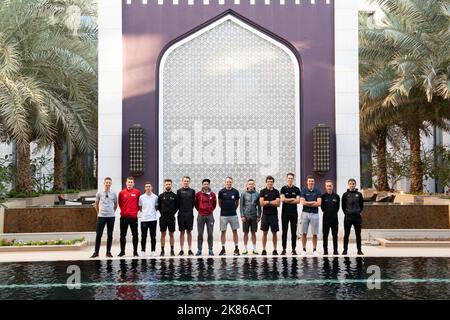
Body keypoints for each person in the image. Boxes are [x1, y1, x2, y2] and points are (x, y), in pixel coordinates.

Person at [90, 177, 117, 258]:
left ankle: (108, 252)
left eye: (109, 182)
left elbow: (116, 205)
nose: (108, 184)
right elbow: (96, 204)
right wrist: (98, 213)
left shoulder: (114, 194)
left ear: (111, 184)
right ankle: (96, 252)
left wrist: (112, 212)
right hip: (101, 216)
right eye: (106, 182)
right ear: (104, 183)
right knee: (99, 234)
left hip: (111, 217)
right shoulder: (99, 193)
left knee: (110, 234)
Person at [118, 177, 141, 257]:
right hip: (124, 217)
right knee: (122, 235)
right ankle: (122, 251)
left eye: (131, 182)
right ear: (126, 183)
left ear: (133, 183)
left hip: (133, 217)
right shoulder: (121, 193)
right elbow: (120, 204)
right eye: (128, 182)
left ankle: (135, 252)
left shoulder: (137, 192)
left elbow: (139, 204)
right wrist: (125, 211)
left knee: (135, 235)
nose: (130, 183)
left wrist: (134, 212)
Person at [300, 175, 322, 257]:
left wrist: (308, 203)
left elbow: (319, 203)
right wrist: (313, 202)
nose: (311, 182)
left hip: (315, 214)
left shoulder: (318, 191)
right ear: (307, 182)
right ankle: (304, 249)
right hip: (305, 214)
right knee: (304, 233)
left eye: (312, 181)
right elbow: (302, 202)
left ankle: (314, 250)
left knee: (315, 233)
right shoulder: (304, 190)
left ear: (314, 182)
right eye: (309, 181)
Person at [218, 177, 241, 256]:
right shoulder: (221, 192)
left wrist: (233, 209)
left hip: (233, 215)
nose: (228, 183)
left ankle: (236, 249)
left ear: (232, 182)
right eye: (227, 182)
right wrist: (225, 209)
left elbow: (237, 203)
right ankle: (223, 249)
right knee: (223, 232)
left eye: (230, 182)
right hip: (223, 215)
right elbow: (220, 203)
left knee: (235, 231)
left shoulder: (235, 191)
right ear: (225, 183)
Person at [342, 178, 364, 255]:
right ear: (348, 185)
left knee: (358, 234)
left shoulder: (359, 194)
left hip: (357, 217)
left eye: (353, 183)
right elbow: (343, 206)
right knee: (346, 234)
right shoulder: (345, 194)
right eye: (350, 183)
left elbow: (361, 206)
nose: (352, 185)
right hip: (348, 217)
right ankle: (345, 250)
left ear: (355, 184)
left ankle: (359, 250)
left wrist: (357, 212)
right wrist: (347, 213)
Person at [195, 179, 217, 256]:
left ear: (209, 185)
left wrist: (210, 210)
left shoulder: (212, 194)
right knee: (200, 233)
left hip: (210, 216)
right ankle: (199, 250)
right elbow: (196, 204)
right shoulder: (198, 194)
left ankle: (210, 250)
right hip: (200, 215)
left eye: (207, 184)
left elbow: (214, 205)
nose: (206, 185)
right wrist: (200, 210)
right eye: (204, 184)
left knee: (210, 233)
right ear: (202, 185)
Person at [259, 176, 280, 256]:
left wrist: (267, 202)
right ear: (266, 182)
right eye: (268, 181)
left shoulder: (276, 192)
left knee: (274, 233)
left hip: (274, 215)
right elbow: (261, 203)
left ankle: (275, 249)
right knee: (264, 233)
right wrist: (272, 202)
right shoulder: (262, 191)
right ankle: (264, 250)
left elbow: (278, 204)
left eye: (271, 181)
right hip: (265, 215)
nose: (269, 183)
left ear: (273, 182)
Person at [280, 173, 301, 255]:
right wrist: (293, 199)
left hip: (294, 214)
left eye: (291, 178)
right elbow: (282, 200)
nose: (290, 179)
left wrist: (287, 199)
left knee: (293, 232)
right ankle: (284, 249)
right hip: (285, 213)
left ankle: (293, 249)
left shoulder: (297, 189)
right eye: (289, 178)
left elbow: (298, 201)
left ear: (293, 179)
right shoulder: (283, 189)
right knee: (284, 231)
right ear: (286, 179)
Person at [158, 179, 179, 257]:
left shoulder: (175, 196)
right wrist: (163, 213)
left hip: (171, 218)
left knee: (171, 234)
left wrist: (172, 213)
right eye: (166, 184)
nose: (168, 185)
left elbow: (177, 207)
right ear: (164, 185)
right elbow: (159, 207)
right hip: (163, 218)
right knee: (163, 234)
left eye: (169, 184)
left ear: (171, 185)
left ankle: (172, 250)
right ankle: (162, 251)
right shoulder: (161, 196)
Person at [240, 179, 261, 255]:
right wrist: (242, 215)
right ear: (247, 185)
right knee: (245, 233)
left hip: (254, 216)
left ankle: (254, 249)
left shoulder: (257, 194)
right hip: (245, 216)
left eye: (252, 184)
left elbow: (259, 206)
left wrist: (259, 216)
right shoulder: (243, 194)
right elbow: (241, 206)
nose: (251, 185)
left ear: (254, 185)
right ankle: (245, 249)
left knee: (253, 233)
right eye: (249, 184)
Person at [176, 176, 196, 256]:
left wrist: (189, 210)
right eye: (184, 181)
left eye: (187, 181)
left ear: (189, 182)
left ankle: (190, 249)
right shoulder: (179, 191)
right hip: (181, 214)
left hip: (189, 214)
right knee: (181, 232)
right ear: (182, 182)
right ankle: (181, 250)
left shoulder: (192, 191)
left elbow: (193, 203)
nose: (186, 182)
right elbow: (177, 203)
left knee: (189, 232)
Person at [139, 181, 158, 258]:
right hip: (144, 219)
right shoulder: (141, 197)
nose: (148, 188)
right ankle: (143, 251)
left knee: (153, 236)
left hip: (153, 219)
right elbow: (140, 207)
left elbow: (156, 207)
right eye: (146, 186)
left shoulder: (155, 197)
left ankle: (153, 251)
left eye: (149, 186)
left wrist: (152, 213)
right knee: (143, 236)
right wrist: (144, 213)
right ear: (145, 188)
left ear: (151, 187)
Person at [321, 180, 340, 255]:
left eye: (330, 186)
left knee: (335, 235)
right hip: (326, 219)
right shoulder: (323, 196)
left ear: (333, 186)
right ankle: (325, 251)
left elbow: (338, 207)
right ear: (325, 187)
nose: (329, 187)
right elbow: (322, 208)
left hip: (334, 219)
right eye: (327, 186)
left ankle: (335, 250)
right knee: (325, 235)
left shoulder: (337, 196)